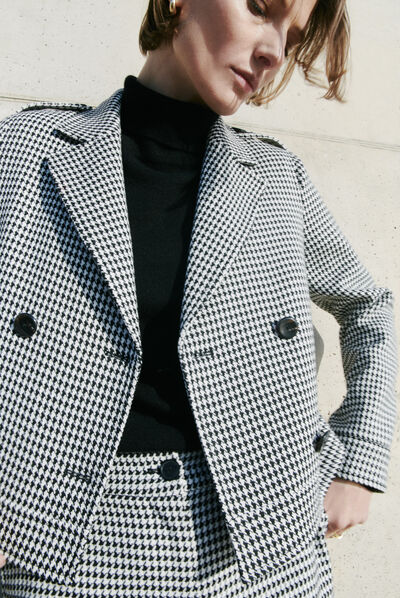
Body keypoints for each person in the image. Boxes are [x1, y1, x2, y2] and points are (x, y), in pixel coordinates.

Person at [0, 0, 397, 596]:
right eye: (261, 8)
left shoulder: (275, 178)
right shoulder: (25, 151)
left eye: (290, 35)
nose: (274, 51)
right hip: (57, 548)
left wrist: (360, 462)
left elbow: (370, 307)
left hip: (261, 551)